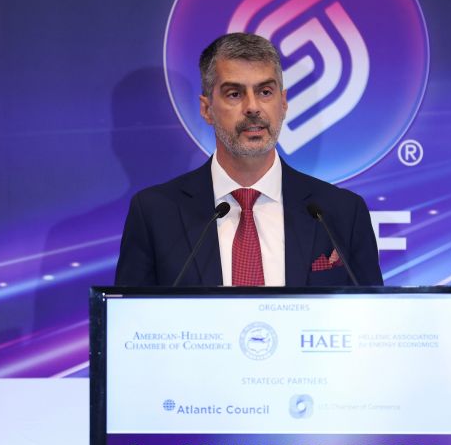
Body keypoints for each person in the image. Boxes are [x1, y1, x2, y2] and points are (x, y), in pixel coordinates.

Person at [114, 32, 383, 287]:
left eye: (265, 92)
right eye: (235, 94)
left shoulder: (340, 213)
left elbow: (371, 314)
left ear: (283, 103)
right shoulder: (156, 213)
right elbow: (129, 316)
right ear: (207, 109)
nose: (253, 107)